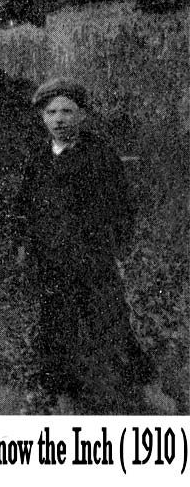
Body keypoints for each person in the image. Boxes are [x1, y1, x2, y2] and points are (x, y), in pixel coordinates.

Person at [13, 77, 153, 413]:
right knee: (55, 324)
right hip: (52, 259)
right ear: (42, 117)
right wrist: (21, 243)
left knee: (111, 320)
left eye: (67, 111)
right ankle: (63, 393)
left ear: (82, 115)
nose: (59, 119)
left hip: (93, 258)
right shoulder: (38, 160)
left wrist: (119, 247)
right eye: (51, 112)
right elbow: (24, 206)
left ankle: (146, 385)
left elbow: (122, 207)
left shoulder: (100, 155)